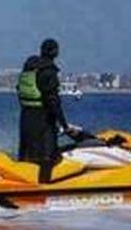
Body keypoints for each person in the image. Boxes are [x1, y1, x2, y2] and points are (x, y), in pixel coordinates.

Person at [16, 38, 80, 183]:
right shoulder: (48, 71)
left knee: (27, 155)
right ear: (55, 52)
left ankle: (23, 183)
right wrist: (65, 126)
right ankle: (43, 189)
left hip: (26, 117)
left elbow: (20, 90)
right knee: (47, 156)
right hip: (43, 119)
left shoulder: (29, 67)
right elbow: (53, 101)